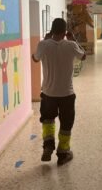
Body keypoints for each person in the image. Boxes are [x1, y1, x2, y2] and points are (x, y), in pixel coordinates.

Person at [32, 18, 86, 166]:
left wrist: (45, 40)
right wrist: (73, 39)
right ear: (64, 32)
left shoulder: (43, 45)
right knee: (66, 123)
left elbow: (35, 59)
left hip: (48, 93)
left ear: (51, 30)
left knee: (48, 120)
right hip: (67, 94)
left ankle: (48, 145)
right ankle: (63, 152)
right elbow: (84, 56)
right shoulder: (71, 45)